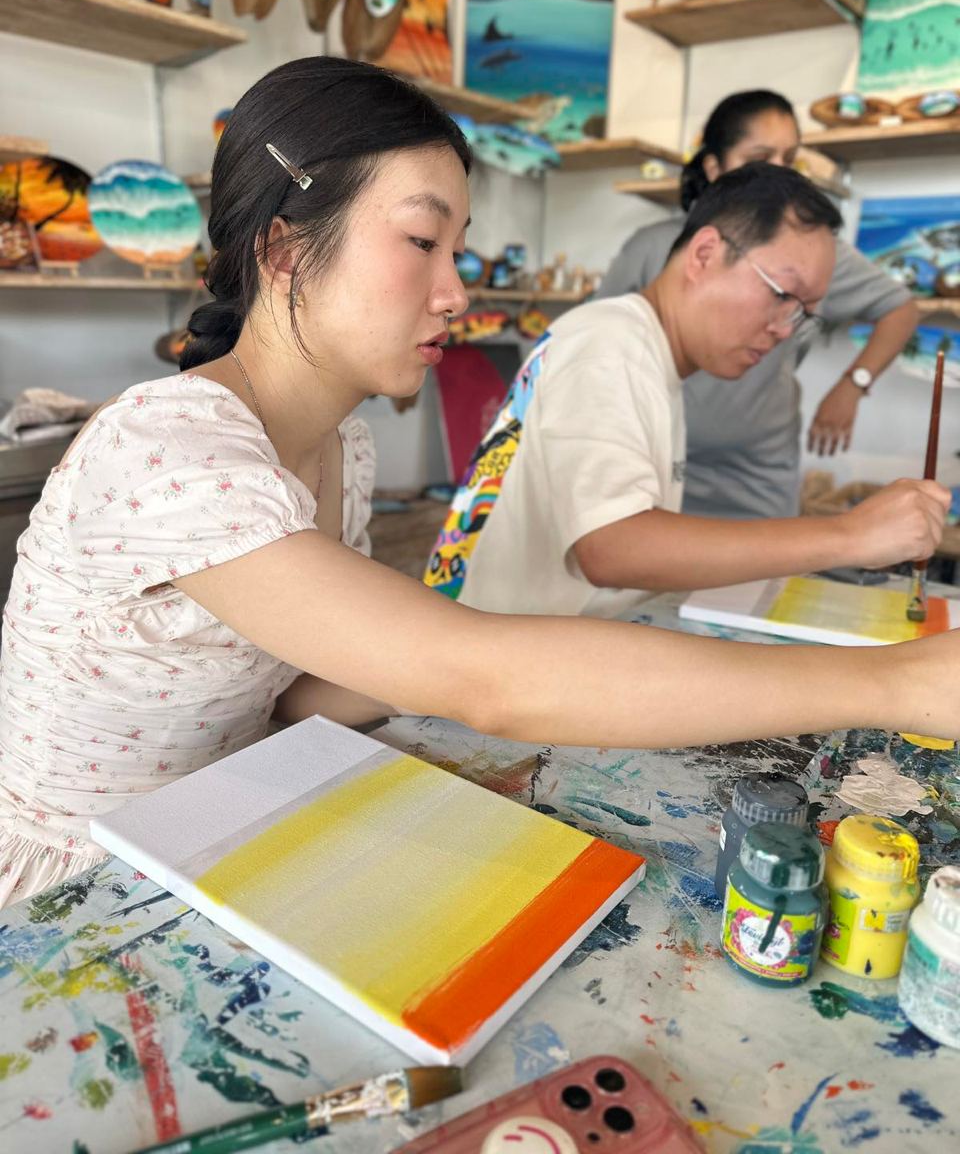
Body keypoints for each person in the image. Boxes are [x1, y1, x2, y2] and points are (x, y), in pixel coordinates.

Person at [0, 60, 956, 913]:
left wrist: (448, 655)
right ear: (285, 249)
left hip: (209, 839)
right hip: (80, 897)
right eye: (423, 241)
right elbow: (488, 675)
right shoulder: (169, 446)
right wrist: (894, 682)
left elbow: (293, 695)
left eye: (457, 249)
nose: (456, 292)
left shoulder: (343, 448)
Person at [423, 164, 947, 618]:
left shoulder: (649, 355)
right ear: (704, 254)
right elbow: (613, 548)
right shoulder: (609, 345)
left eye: (804, 315)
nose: (785, 330)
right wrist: (849, 536)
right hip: (491, 667)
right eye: (783, 295)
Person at [595, 90, 919, 520]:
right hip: (654, 463)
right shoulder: (649, 253)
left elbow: (900, 308)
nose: (781, 329)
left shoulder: (816, 254)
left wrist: (852, 384)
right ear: (701, 256)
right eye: (761, 157)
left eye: (791, 159)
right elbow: (600, 349)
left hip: (756, 476)